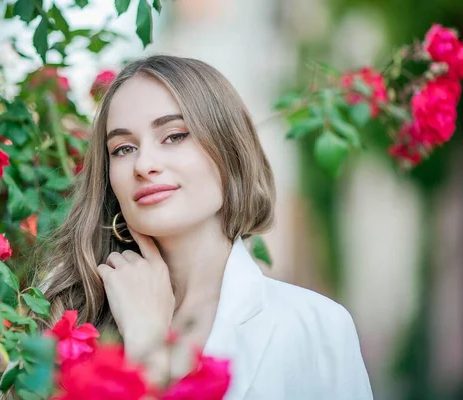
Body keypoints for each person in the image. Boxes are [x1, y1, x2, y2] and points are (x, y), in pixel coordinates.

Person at [35, 55, 373, 399]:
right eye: (123, 148)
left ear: (228, 151)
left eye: (174, 136)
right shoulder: (70, 322)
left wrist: (147, 343)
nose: (144, 165)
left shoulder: (315, 328)